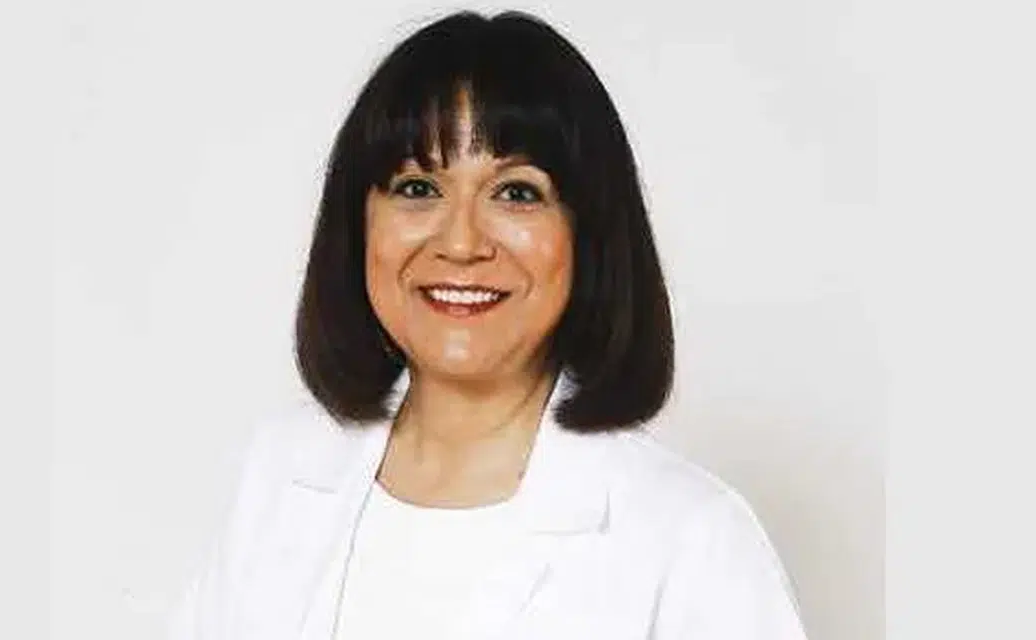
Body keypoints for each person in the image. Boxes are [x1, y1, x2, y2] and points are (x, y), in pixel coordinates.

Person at [173, 10, 808, 640]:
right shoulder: (279, 473)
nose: (461, 242)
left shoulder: (693, 539)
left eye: (517, 193)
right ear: (358, 225)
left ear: (589, 236)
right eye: (418, 188)